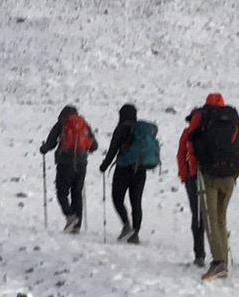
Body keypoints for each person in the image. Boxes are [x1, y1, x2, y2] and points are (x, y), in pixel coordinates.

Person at [185, 92, 239, 280]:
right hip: (229, 177)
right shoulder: (234, 118)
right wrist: (236, 171)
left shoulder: (201, 117)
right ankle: (223, 257)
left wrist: (192, 173)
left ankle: (219, 263)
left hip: (209, 176)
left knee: (210, 219)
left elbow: (190, 146)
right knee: (221, 217)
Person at [99, 103, 159, 243]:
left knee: (117, 198)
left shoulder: (121, 128)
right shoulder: (139, 129)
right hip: (140, 170)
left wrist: (104, 166)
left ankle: (126, 225)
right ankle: (135, 234)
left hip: (123, 170)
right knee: (136, 202)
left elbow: (113, 149)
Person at [38, 105, 96, 233]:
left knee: (62, 192)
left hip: (65, 162)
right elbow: (94, 146)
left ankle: (70, 216)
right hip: (81, 163)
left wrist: (44, 149)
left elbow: (51, 143)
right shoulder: (84, 124)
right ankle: (77, 226)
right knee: (77, 193)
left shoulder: (61, 123)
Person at [176, 107, 206, 268]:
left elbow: (181, 155)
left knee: (197, 215)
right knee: (214, 216)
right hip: (213, 176)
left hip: (192, 178)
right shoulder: (210, 131)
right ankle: (219, 255)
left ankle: (199, 254)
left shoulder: (188, 133)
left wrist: (185, 176)